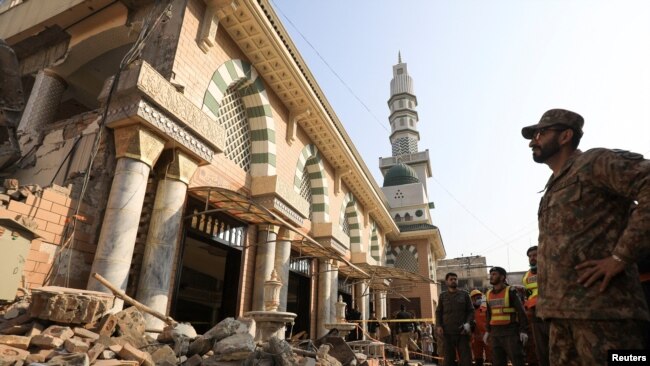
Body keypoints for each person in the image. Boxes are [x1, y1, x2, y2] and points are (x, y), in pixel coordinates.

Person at [522, 109, 650, 365]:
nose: (533, 141)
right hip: (560, 316)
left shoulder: (594, 162)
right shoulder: (553, 185)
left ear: (565, 136)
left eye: (540, 133)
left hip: (605, 313)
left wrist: (620, 256)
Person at [484, 267, 528, 366]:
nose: (491, 276)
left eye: (494, 274)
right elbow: (489, 314)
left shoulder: (511, 291)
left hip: (510, 333)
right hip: (495, 334)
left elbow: (521, 312)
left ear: (502, 277)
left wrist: (523, 330)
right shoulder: (488, 294)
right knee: (497, 362)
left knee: (517, 360)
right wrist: (487, 330)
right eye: (490, 274)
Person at [435, 272, 474, 366]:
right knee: (448, 360)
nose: (453, 281)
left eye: (455, 279)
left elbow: (471, 311)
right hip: (447, 333)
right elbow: (438, 312)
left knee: (466, 360)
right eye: (451, 279)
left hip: (462, 333)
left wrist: (468, 324)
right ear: (446, 282)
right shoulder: (442, 296)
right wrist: (439, 325)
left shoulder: (464, 295)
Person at [522, 246, 549, 366]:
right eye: (530, 256)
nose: (532, 258)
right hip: (535, 316)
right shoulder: (526, 276)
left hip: (551, 313)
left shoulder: (549, 269)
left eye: (535, 255)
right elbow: (529, 295)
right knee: (541, 350)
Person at [470, 289, 491, 366]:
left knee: (490, 357)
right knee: (478, 358)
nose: (478, 299)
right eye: (476, 297)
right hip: (476, 339)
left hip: (487, 337)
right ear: (472, 299)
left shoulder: (485, 309)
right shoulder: (470, 311)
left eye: (479, 297)